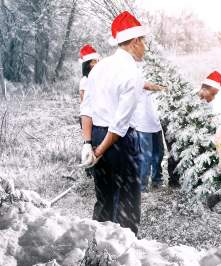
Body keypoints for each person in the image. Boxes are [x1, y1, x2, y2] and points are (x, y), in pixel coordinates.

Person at [79, 11, 149, 235]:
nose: (145, 47)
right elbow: (119, 125)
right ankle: (125, 250)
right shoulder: (132, 73)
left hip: (98, 136)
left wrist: (87, 144)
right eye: (144, 42)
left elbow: (86, 109)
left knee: (105, 198)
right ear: (135, 41)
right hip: (119, 141)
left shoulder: (98, 67)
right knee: (128, 202)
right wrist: (97, 151)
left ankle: (97, 247)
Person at [132, 85, 165, 192]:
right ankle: (142, 186)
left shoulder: (158, 75)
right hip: (143, 124)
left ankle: (157, 180)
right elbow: (146, 85)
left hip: (156, 123)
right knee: (146, 157)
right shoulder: (139, 78)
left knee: (159, 153)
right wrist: (162, 87)